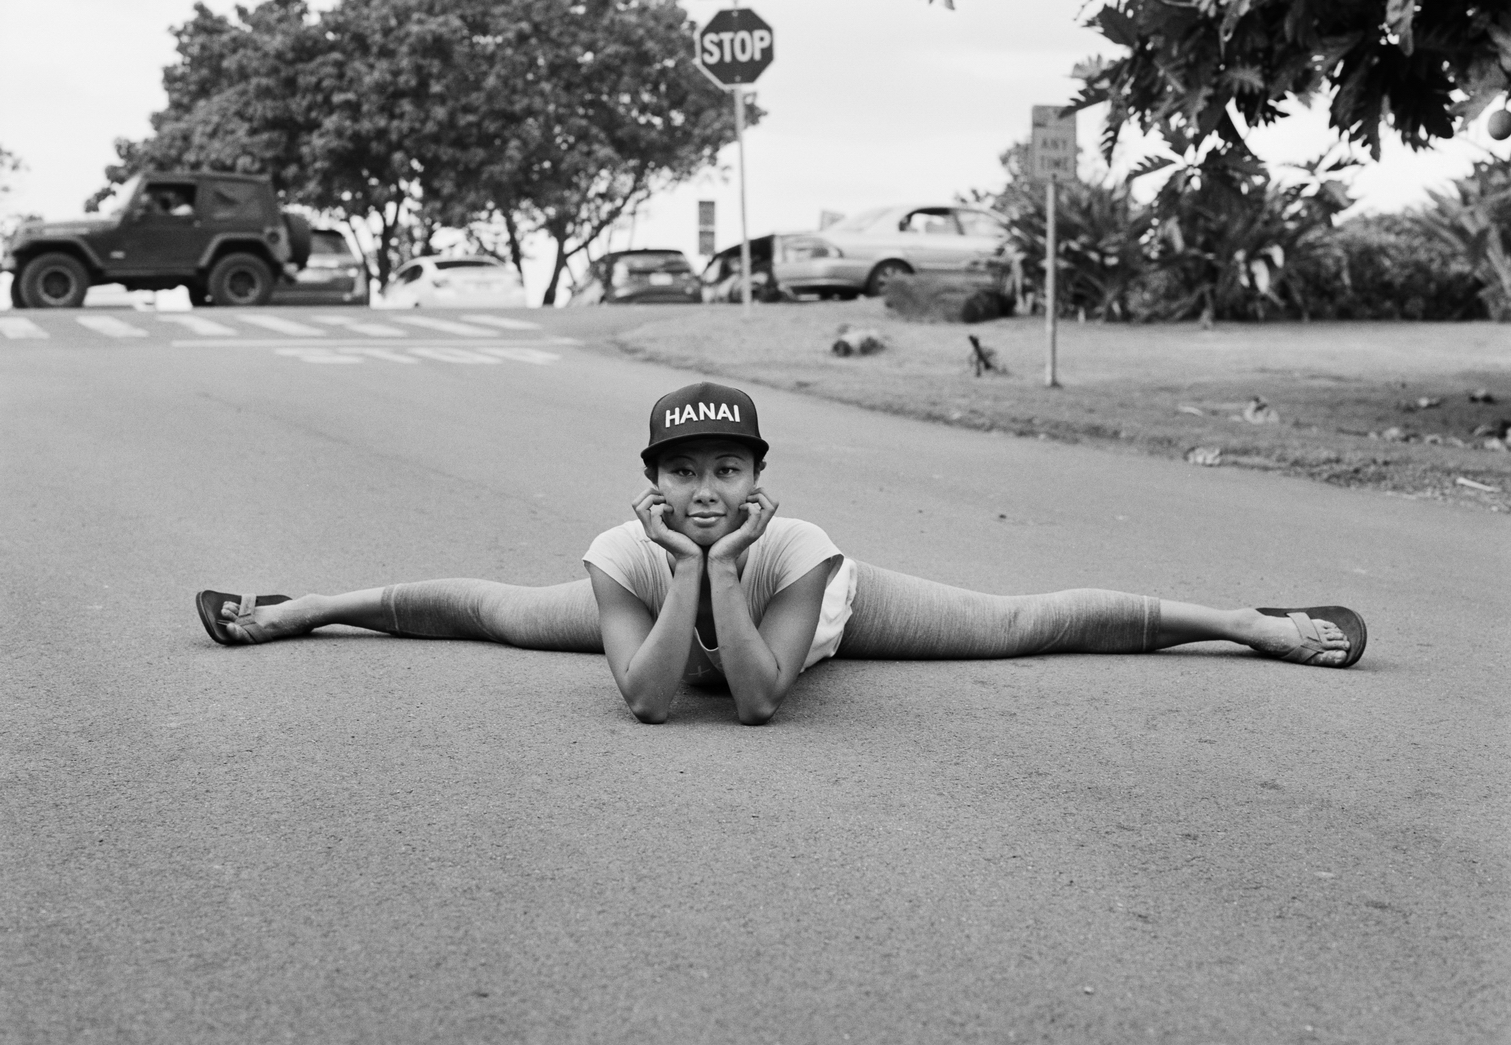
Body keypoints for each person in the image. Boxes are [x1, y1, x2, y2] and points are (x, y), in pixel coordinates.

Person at [197, 381, 1367, 725]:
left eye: (726, 471)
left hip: (806, 616)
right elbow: (654, 702)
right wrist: (685, 572)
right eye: (684, 473)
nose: (706, 490)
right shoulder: (626, 545)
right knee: (494, 611)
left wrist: (725, 567)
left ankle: (1254, 622)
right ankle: (296, 610)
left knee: (1019, 622)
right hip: (672, 606)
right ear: (649, 483)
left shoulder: (797, 541)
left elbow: (754, 701)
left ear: (756, 479)